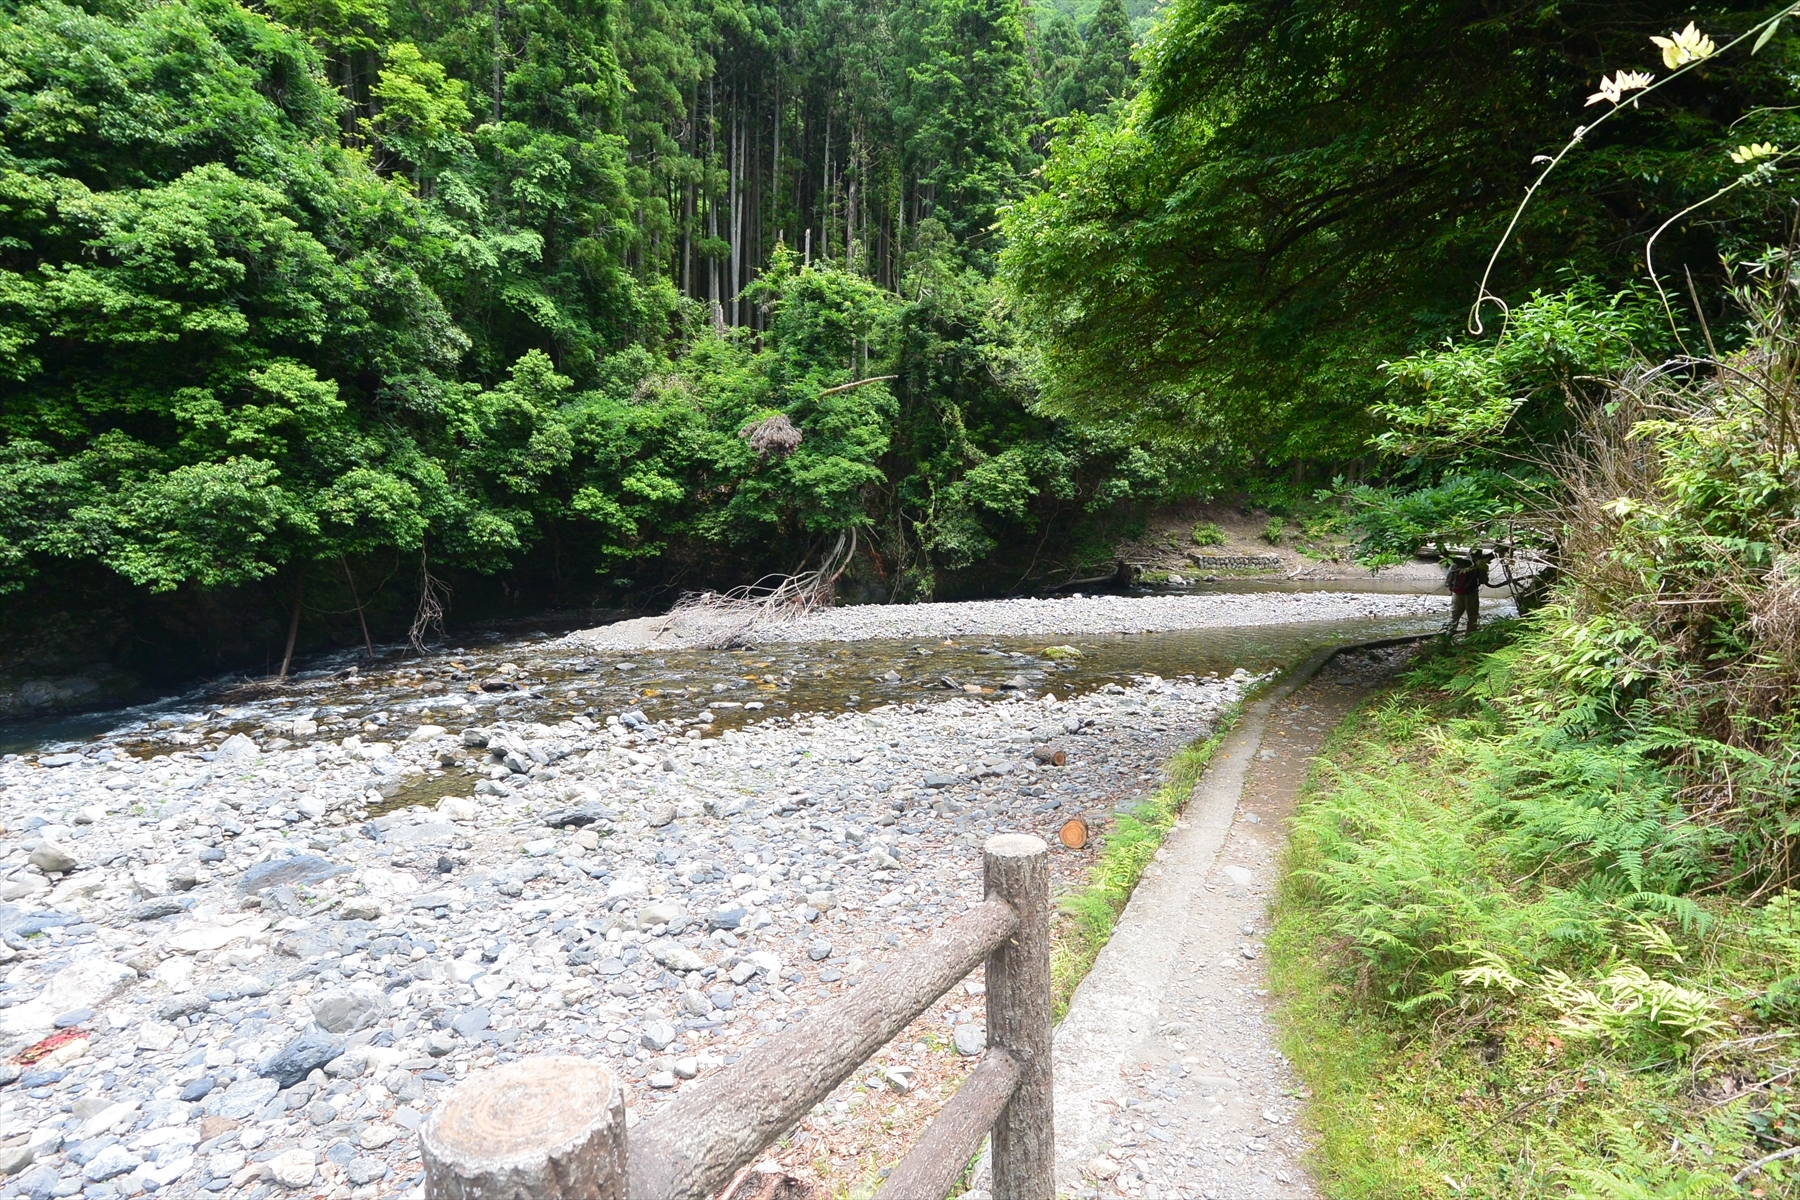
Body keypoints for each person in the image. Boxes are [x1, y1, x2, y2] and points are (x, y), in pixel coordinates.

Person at [1445, 548, 1491, 635]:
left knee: (1454, 616)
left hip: (1457, 592)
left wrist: (1451, 589)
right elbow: (1483, 580)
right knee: (1472, 616)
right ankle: (1470, 636)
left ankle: (1449, 634)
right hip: (1471, 593)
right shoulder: (1478, 565)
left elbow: (1448, 579)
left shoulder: (1456, 563)